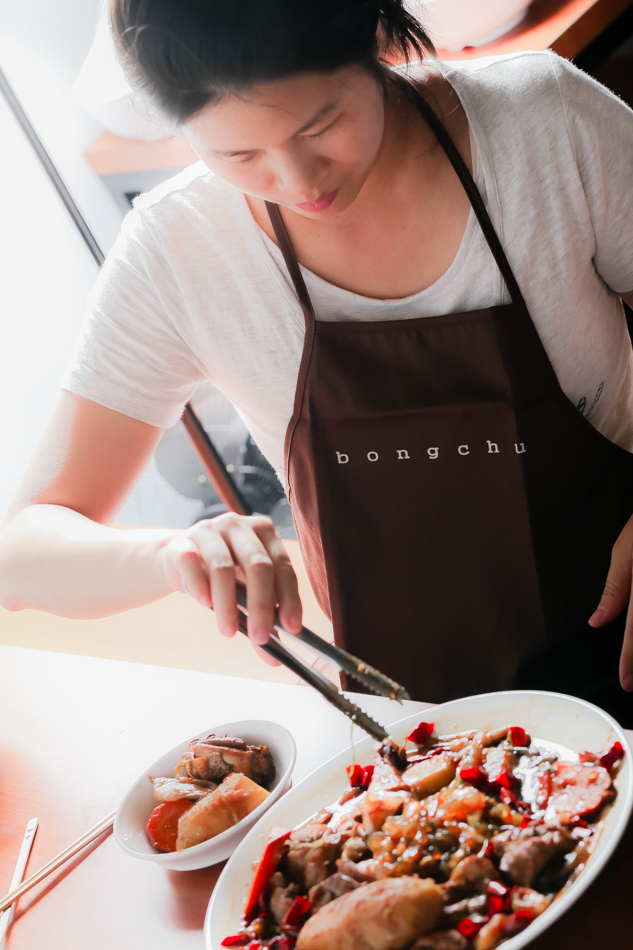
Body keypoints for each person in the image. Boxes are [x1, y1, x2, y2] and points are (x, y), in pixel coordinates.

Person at [1, 1, 632, 722]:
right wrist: (173, 556)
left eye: (320, 124)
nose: (299, 180)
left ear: (372, 38)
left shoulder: (541, 125)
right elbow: (21, 553)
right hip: (425, 728)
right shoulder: (178, 251)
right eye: (237, 156)